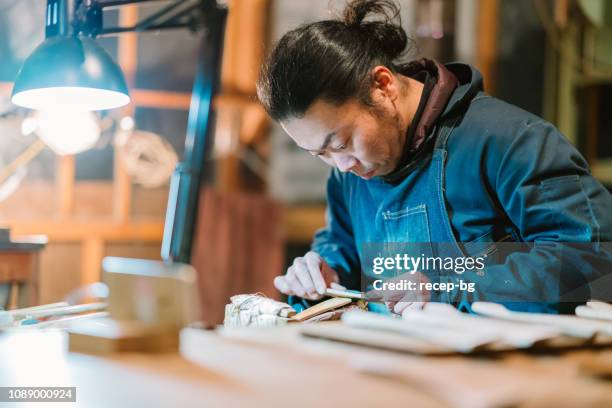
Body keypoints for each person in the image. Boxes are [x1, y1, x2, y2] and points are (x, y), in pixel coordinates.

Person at [256, 0, 612, 315]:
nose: (342, 165)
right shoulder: (347, 173)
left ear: (382, 86)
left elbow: (592, 260)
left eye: (343, 141)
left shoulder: (510, 141)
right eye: (320, 153)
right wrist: (326, 272)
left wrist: (448, 289)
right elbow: (343, 247)